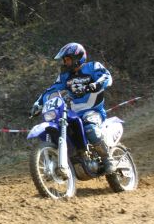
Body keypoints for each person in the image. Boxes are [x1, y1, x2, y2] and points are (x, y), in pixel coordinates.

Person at [30, 42, 115, 174]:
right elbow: (52, 89)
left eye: (68, 59)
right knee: (63, 128)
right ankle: (76, 157)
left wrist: (96, 84)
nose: (65, 63)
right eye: (64, 60)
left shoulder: (93, 67)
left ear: (78, 57)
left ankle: (107, 159)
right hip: (75, 112)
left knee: (90, 128)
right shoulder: (65, 76)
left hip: (93, 111)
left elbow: (106, 76)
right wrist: (38, 103)